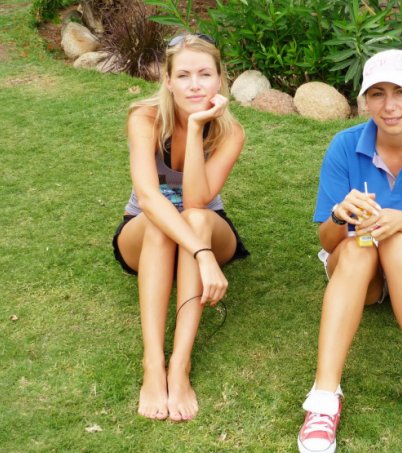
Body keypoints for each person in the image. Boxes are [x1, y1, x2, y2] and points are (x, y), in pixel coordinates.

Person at [297, 49, 402, 453]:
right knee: (359, 245)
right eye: (377, 93)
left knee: (398, 240)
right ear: (365, 101)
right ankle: (324, 397)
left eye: (401, 92)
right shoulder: (344, 146)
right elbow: (326, 242)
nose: (389, 105)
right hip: (361, 275)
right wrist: (339, 215)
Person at [112, 34, 248, 422]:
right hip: (147, 233)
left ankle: (180, 365)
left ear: (220, 79)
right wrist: (202, 255)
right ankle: (153, 364)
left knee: (195, 218)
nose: (194, 85)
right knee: (160, 225)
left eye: (205, 74)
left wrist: (198, 126)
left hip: (204, 225)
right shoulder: (144, 118)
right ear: (168, 81)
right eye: (184, 75)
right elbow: (148, 197)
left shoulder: (229, 132)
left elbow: (196, 200)